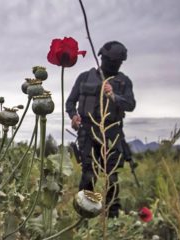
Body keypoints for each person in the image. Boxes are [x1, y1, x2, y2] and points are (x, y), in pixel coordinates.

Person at [65, 41, 136, 218]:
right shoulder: (84, 77)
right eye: (108, 60)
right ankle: (83, 216)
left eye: (115, 61)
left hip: (112, 132)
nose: (111, 64)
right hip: (87, 131)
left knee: (111, 177)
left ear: (120, 63)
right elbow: (70, 102)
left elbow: (131, 105)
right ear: (102, 58)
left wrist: (113, 95)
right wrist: (74, 116)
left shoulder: (123, 82)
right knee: (89, 175)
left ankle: (112, 219)